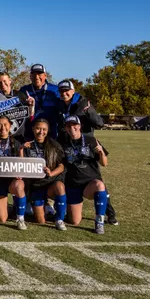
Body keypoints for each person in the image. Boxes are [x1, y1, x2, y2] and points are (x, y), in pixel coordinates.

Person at [56, 79, 118, 226]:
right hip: (67, 141)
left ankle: (110, 213)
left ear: (73, 91)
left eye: (67, 91)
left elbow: (99, 123)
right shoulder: (60, 105)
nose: (64, 94)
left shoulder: (83, 103)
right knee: (67, 175)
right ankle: (64, 210)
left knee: (95, 178)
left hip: (85, 142)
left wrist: (88, 111)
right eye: (61, 92)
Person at [61, 115, 108, 234]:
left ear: (80, 126)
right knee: (75, 221)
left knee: (99, 185)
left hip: (89, 183)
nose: (72, 128)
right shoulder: (63, 142)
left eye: (74, 125)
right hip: (73, 184)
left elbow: (104, 164)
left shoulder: (91, 140)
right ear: (65, 128)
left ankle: (99, 221)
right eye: (68, 126)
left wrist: (101, 152)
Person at [23, 118, 67, 230]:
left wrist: (51, 173)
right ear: (33, 129)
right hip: (36, 186)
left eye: (44, 129)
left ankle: (59, 219)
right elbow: (21, 166)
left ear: (48, 131)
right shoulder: (28, 145)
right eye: (38, 128)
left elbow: (61, 166)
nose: (41, 132)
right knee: (40, 221)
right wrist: (21, 150)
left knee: (60, 186)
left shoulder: (54, 145)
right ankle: (40, 205)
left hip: (51, 183)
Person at [0, 116, 28, 230]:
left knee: (19, 184)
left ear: (10, 125)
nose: (3, 127)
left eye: (5, 124)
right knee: (2, 219)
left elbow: (22, 165)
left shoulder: (16, 143)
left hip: (11, 181)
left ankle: (20, 218)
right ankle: (10, 208)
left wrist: (21, 151)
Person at [0, 72, 35, 142]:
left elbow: (30, 116)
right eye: (0, 82)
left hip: (19, 138)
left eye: (4, 81)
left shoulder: (20, 96)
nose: (3, 84)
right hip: (2, 138)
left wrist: (32, 105)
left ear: (10, 81)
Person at [20, 64, 59, 139]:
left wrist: (82, 102)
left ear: (45, 75)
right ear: (30, 76)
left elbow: (69, 100)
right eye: (34, 74)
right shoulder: (24, 90)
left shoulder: (55, 89)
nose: (36, 77)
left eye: (39, 74)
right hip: (30, 133)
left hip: (51, 133)